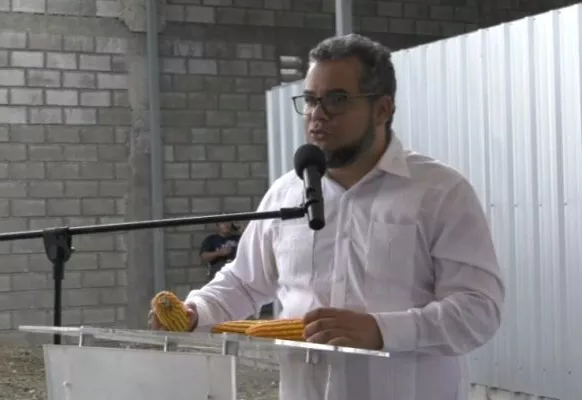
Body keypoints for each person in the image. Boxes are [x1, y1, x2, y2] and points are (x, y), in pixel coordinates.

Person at [151, 33, 505, 400]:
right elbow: (243, 282)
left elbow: (478, 312)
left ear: (382, 109)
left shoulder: (440, 192)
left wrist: (381, 331)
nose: (317, 114)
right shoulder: (286, 194)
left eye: (336, 100)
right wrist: (197, 311)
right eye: (310, 99)